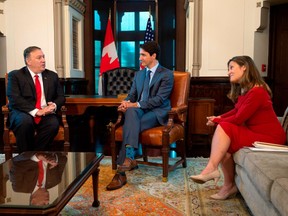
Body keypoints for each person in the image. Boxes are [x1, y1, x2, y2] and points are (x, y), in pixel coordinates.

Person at [190, 56, 286, 200]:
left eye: (231, 67)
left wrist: (219, 121)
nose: (229, 72)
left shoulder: (258, 92)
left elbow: (239, 118)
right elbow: (236, 112)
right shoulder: (249, 92)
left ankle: (211, 168)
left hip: (270, 137)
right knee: (225, 146)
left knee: (226, 128)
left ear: (244, 67)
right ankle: (229, 187)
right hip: (257, 133)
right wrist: (218, 118)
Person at [106, 41, 174, 190]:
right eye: (140, 55)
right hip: (140, 111)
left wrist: (134, 105)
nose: (139, 58)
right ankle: (128, 160)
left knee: (131, 120)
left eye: (143, 55)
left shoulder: (167, 74)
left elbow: (159, 100)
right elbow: (132, 95)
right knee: (130, 112)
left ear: (153, 55)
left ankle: (123, 169)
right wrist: (125, 102)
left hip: (157, 112)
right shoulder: (139, 74)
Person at [7, 46, 65, 152]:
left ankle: (37, 155)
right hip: (23, 112)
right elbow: (14, 98)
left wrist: (53, 106)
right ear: (28, 61)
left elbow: (61, 97)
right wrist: (36, 111)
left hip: (45, 112)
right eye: (39, 58)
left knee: (53, 124)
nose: (43, 60)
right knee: (25, 122)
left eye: (43, 57)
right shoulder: (16, 75)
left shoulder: (52, 75)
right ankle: (25, 156)